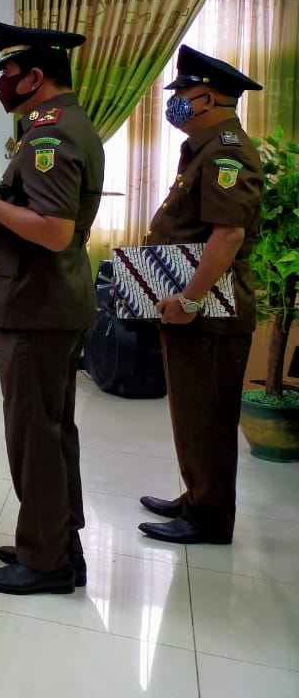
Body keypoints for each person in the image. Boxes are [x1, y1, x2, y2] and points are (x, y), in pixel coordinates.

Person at [0, 22, 103, 595]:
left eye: (8, 76)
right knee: (53, 432)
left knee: (35, 435)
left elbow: (55, 231)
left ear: (36, 77)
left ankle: (46, 561)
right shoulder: (62, 126)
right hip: (50, 302)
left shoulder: (48, 136)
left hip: (39, 304)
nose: (1, 86)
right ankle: (57, 538)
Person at [137, 45, 263, 545]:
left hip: (210, 312)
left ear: (206, 97)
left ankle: (208, 518)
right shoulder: (207, 148)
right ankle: (196, 496)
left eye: (182, 94)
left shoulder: (227, 151)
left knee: (208, 416)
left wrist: (189, 300)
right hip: (198, 308)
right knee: (193, 412)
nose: (176, 102)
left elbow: (227, 236)